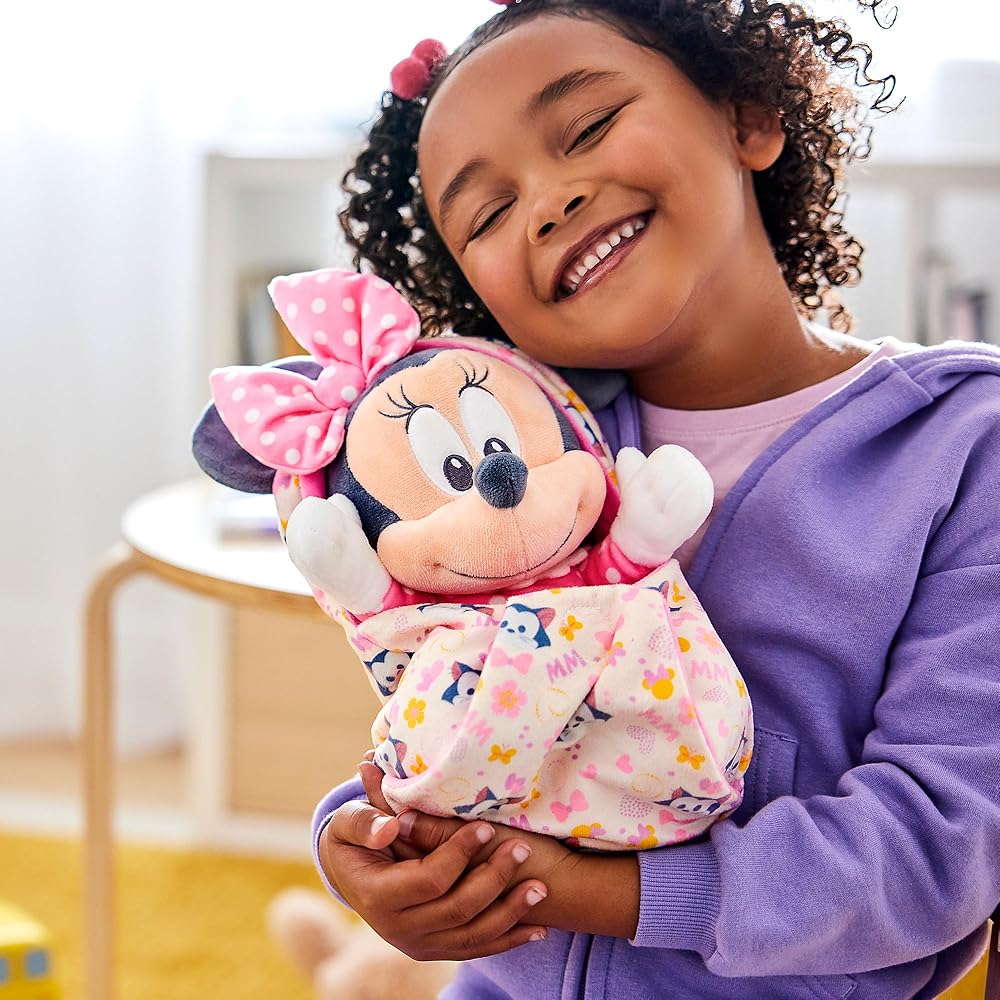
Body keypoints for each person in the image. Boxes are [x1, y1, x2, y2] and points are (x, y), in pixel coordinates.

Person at [308, 2, 1000, 997]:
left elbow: (937, 849)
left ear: (747, 115)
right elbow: (453, 707)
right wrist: (355, 839)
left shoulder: (962, 447)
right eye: (489, 215)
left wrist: (602, 893)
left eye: (587, 127)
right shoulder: (528, 465)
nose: (546, 204)